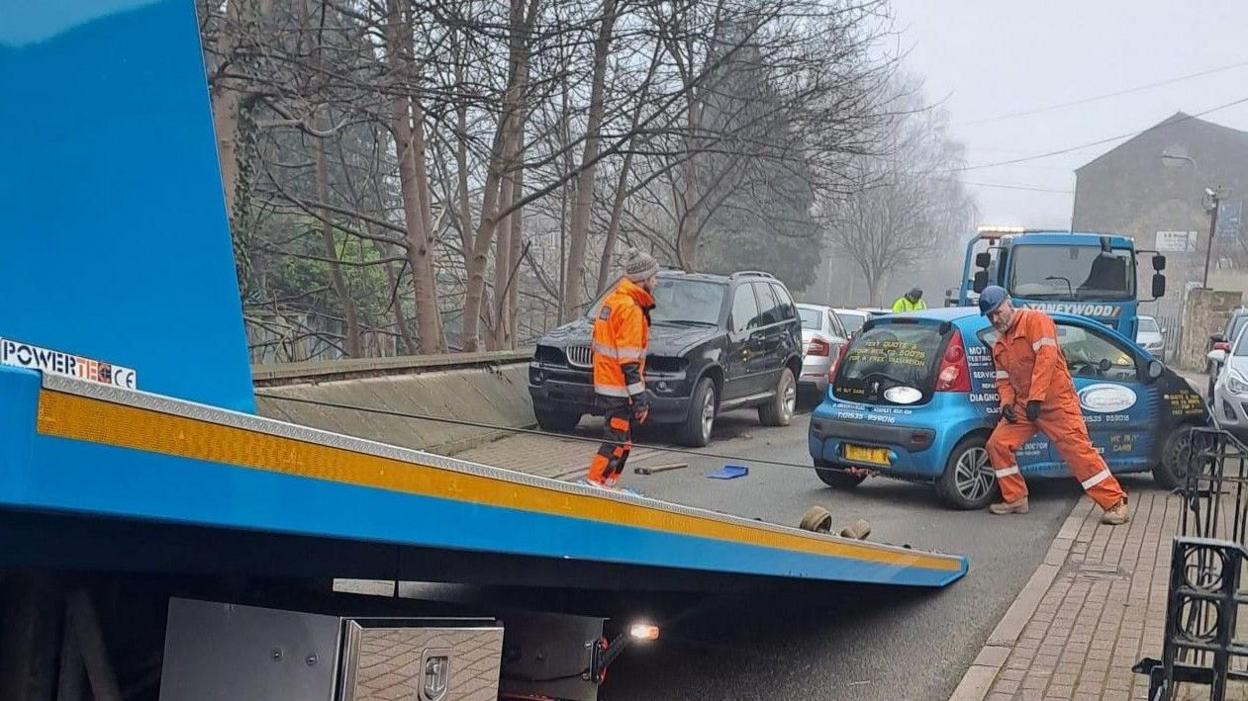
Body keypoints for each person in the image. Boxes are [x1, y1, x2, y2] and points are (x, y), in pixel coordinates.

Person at [979, 285, 1130, 525]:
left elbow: (1046, 360)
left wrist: (1036, 398)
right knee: (998, 444)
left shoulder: (1036, 321)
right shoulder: (999, 345)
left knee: (1078, 452)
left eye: (998, 312)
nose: (996, 319)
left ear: (1009, 303)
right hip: (1025, 405)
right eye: (991, 316)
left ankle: (1115, 502)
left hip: (1056, 402)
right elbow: (1003, 379)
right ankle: (1015, 498)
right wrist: (1007, 403)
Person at [584, 248, 659, 488]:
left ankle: (607, 484)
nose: (656, 283)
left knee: (623, 442)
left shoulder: (613, 301)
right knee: (616, 439)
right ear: (643, 280)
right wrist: (639, 398)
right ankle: (595, 484)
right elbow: (629, 361)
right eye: (654, 278)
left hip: (607, 383)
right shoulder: (631, 310)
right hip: (618, 388)